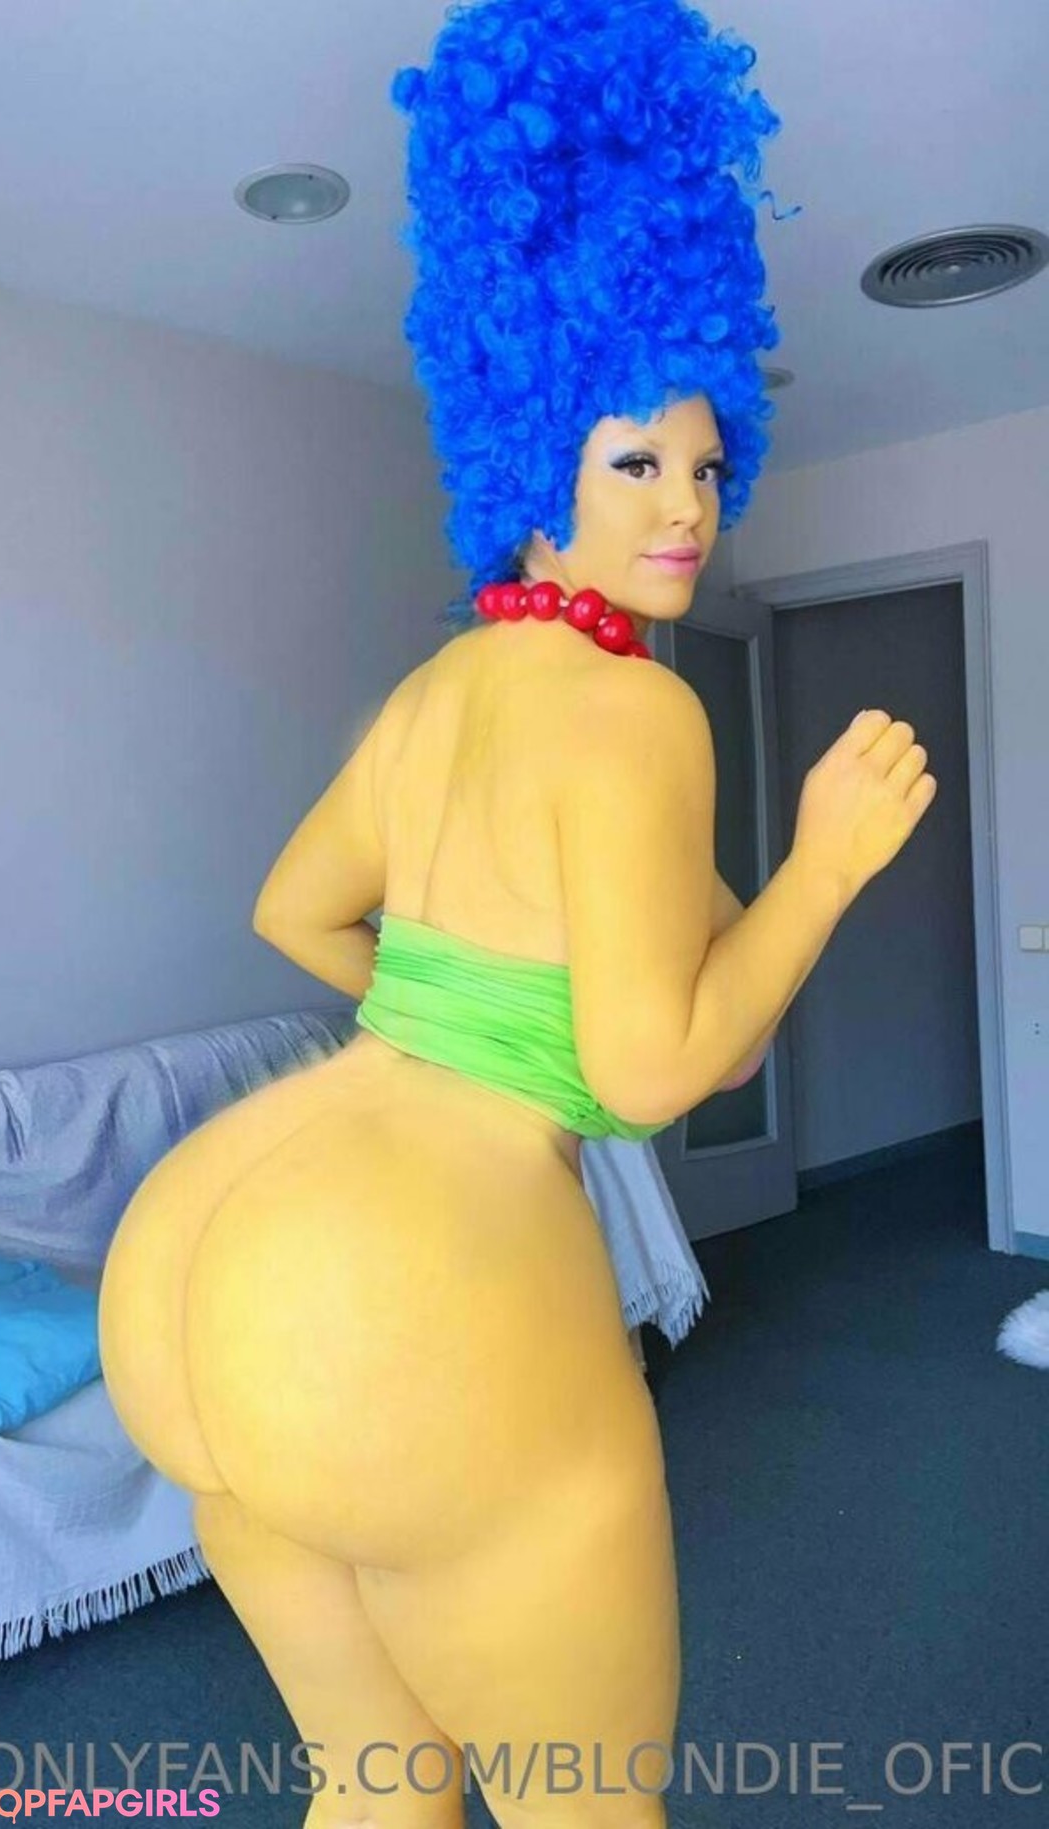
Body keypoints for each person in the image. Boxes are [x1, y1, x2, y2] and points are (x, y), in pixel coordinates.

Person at [98, 3, 936, 1826]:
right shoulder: (638, 710)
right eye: (637, 463)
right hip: (403, 1302)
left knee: (377, 1790)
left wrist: (447, 1017)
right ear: (534, 455)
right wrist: (828, 864)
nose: (687, 510)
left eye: (707, 466)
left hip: (195, 1268)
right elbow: (649, 1072)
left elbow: (295, 910)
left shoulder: (435, 693)